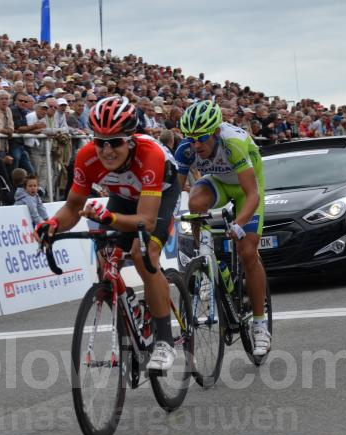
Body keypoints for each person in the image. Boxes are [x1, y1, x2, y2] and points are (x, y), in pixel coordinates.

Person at [35, 96, 181, 371]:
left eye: (115, 142)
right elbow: (73, 207)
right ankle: (131, 318)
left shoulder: (150, 153)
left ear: (131, 139)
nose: (106, 150)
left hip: (160, 196)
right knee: (106, 260)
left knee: (144, 255)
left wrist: (110, 217)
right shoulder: (87, 156)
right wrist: (52, 224)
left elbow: (147, 221)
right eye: (100, 141)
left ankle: (164, 340)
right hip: (124, 197)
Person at [174, 100, 270, 358]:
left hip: (246, 189)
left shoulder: (233, 144)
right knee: (195, 203)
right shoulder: (186, 149)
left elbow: (252, 195)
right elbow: (173, 192)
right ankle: (208, 262)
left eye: (202, 138)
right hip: (217, 183)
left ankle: (260, 325)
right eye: (191, 139)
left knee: (248, 252)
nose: (196, 145)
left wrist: (239, 224)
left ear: (216, 132)